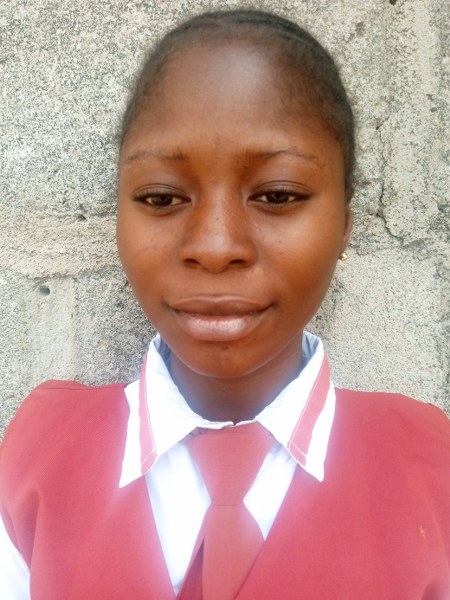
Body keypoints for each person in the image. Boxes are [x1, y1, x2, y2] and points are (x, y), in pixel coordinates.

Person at [0, 8, 449, 600]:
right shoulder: (36, 457)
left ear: (344, 225)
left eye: (278, 195)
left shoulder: (433, 468)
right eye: (161, 198)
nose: (215, 247)